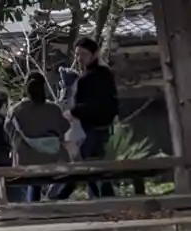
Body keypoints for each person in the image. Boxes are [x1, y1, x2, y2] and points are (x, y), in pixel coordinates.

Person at [8, 72, 72, 204]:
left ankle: (34, 206)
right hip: (54, 158)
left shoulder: (17, 110)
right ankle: (52, 199)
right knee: (71, 175)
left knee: (33, 183)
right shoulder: (54, 109)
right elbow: (65, 127)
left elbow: (8, 130)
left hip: (26, 159)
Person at [70, 36, 120, 199]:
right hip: (89, 129)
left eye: (83, 54)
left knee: (96, 171)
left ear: (94, 54)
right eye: (77, 54)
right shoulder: (88, 76)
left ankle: (104, 201)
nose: (79, 58)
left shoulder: (98, 76)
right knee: (95, 172)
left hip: (96, 129)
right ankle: (101, 201)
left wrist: (75, 111)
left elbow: (103, 105)